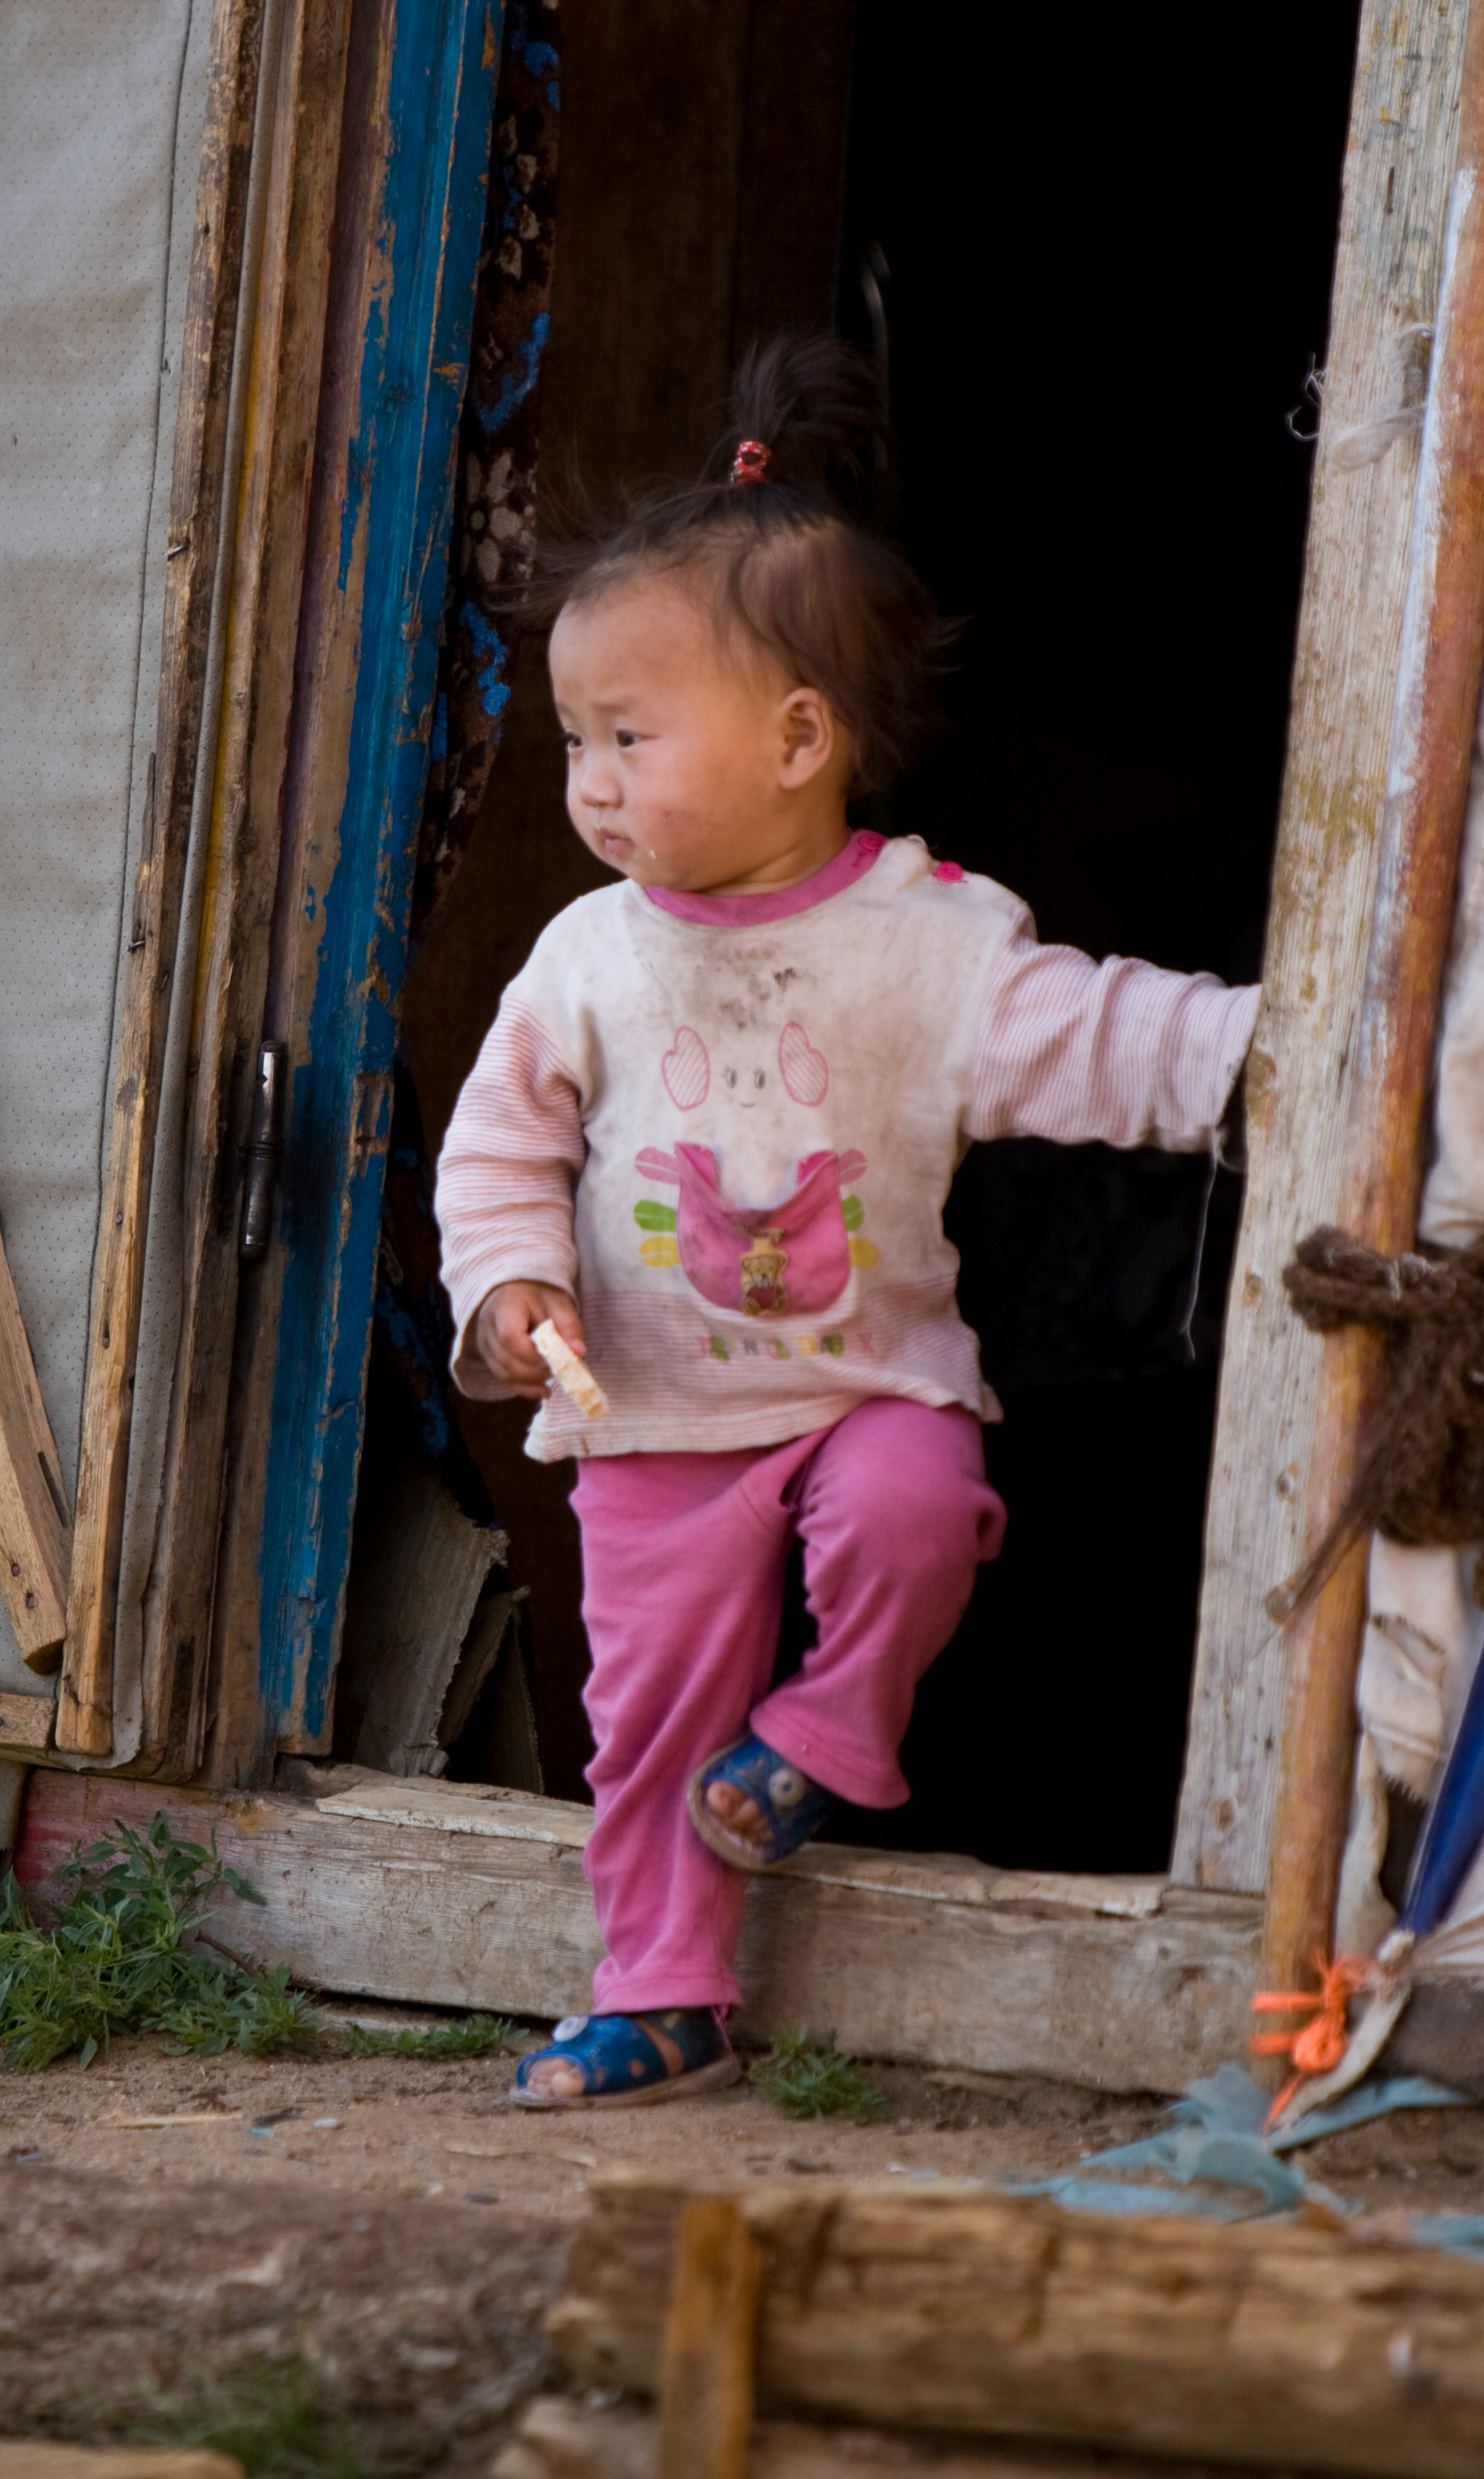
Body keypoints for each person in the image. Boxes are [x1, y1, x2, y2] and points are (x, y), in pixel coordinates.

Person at [436, 337, 1258, 2109]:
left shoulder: (929, 937)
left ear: (800, 739)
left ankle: (828, 1728)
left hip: (864, 1381)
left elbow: (1104, 1031)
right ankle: (659, 1991)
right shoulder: (588, 955)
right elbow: (497, 1147)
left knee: (924, 1507)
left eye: (627, 737)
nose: (587, 780)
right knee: (645, 1717)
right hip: (652, 1412)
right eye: (579, 737)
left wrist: (1279, 1047)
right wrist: (511, 1286)